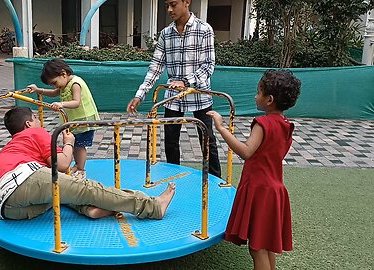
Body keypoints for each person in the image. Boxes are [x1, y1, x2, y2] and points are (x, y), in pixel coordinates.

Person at [0, 107, 176, 221]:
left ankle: (89, 209)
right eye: (36, 118)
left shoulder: (12, 146)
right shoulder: (34, 133)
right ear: (29, 124)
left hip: (7, 209)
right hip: (21, 180)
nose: (40, 121)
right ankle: (152, 207)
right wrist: (68, 142)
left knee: (60, 192)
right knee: (87, 189)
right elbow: (62, 164)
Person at [207, 69, 301, 270]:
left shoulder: (263, 123)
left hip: (260, 190)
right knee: (266, 245)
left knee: (256, 248)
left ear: (269, 100)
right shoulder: (286, 125)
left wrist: (221, 128)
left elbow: (247, 151)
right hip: (275, 190)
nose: (255, 96)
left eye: (259, 92)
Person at [126, 0, 221, 178]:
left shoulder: (204, 29)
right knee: (170, 140)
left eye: (173, 4)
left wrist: (186, 82)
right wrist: (140, 95)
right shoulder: (166, 34)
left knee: (207, 140)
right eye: (167, 5)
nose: (169, 9)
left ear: (186, 2)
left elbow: (208, 66)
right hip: (173, 97)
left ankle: (217, 181)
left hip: (199, 95)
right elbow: (155, 67)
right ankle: (173, 180)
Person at [28, 59, 100, 180]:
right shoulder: (64, 83)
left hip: (83, 119)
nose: (55, 86)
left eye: (54, 82)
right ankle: (77, 166)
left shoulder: (75, 83)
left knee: (80, 145)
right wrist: (38, 90)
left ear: (63, 74)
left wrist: (62, 104)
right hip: (74, 120)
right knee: (74, 143)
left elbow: (76, 102)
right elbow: (54, 93)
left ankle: (81, 169)